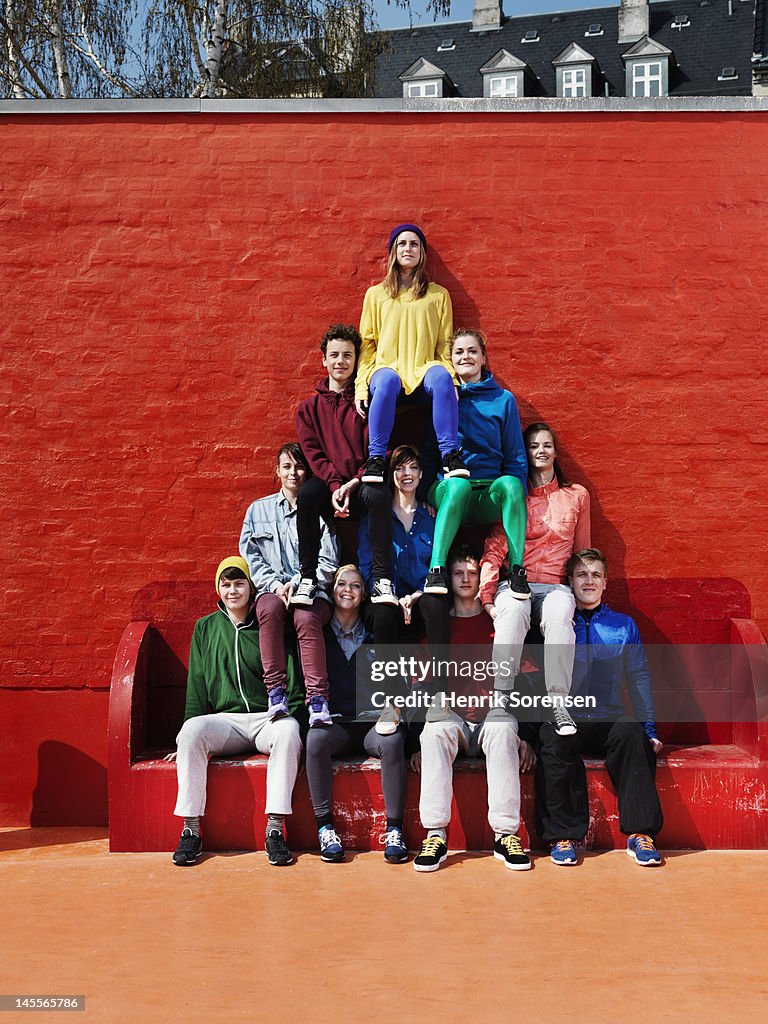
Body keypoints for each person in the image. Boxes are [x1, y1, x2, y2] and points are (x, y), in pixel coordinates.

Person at [167, 557, 303, 867]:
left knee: (289, 732)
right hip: (226, 722)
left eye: (239, 583)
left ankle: (274, 830)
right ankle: (190, 831)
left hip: (267, 718)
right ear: (218, 588)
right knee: (189, 733)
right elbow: (197, 683)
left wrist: (294, 716)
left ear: (250, 586)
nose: (233, 590)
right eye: (226, 585)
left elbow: (292, 674)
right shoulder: (206, 627)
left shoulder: (268, 624)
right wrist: (187, 740)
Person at [536, 548, 664, 867]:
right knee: (552, 744)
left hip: (608, 715)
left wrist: (650, 730)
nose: (589, 581)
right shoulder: (556, 626)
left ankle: (640, 834)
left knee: (633, 736)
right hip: (568, 718)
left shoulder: (623, 626)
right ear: (569, 582)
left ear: (605, 582)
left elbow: (639, 676)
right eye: (581, 574)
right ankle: (562, 837)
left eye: (595, 575)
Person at [411, 545, 536, 873]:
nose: (466, 579)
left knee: (503, 727)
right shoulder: (440, 628)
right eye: (458, 573)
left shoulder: (498, 623)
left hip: (489, 718)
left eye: (473, 572)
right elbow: (418, 686)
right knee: (435, 728)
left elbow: (527, 681)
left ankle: (506, 835)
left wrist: (528, 737)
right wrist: (417, 743)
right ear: (448, 579)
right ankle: (435, 834)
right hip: (453, 719)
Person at [480, 421, 591, 736]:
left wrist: (582, 595)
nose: (541, 451)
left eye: (546, 445)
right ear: (525, 453)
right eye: (533, 446)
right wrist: (487, 598)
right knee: (512, 614)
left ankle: (559, 704)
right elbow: (494, 550)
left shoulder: (576, 496)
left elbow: (583, 552)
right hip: (517, 585)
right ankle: (500, 699)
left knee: (559, 616)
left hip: (556, 584)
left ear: (555, 451)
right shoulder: (516, 497)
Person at [304, 565, 410, 864]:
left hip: (370, 724)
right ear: (332, 589)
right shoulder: (318, 636)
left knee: (392, 741)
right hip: (335, 724)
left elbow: (399, 683)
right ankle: (325, 828)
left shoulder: (378, 636)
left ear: (364, 594)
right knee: (315, 741)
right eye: (341, 583)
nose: (347, 589)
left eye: (355, 585)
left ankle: (394, 830)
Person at [354, 223, 468, 484]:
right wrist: (362, 387)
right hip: (387, 370)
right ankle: (376, 459)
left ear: (422, 253)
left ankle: (450, 455)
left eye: (414, 244)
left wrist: (451, 379)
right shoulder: (376, 295)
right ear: (393, 251)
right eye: (402, 243)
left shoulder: (438, 295)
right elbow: (367, 345)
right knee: (386, 380)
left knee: (440, 377)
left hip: (423, 370)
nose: (408, 248)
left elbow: (443, 345)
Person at [293, 323, 397, 608]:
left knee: (380, 495)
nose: (340, 362)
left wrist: (355, 481)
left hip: (362, 484)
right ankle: (308, 578)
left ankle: (382, 580)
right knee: (308, 495)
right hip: (329, 486)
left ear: (356, 360)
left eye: (348, 356)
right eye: (335, 355)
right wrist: (336, 485)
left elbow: (383, 448)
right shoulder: (307, 409)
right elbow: (313, 455)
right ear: (323, 359)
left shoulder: (369, 402)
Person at [423, 328, 529, 597]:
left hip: (487, 497)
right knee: (458, 485)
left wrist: (516, 499)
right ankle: (436, 571)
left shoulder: (504, 400)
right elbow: (428, 450)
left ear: (483, 357)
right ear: (451, 359)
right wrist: (425, 491)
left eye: (472, 351)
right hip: (450, 491)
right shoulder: (441, 398)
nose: (465, 356)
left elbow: (515, 455)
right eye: (459, 352)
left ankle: (517, 570)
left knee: (512, 483)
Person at [239, 442, 338, 727]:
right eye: (287, 467)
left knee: (305, 617)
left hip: (314, 592)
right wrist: (274, 585)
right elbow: (251, 556)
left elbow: (329, 562)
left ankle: (318, 700)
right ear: (277, 471)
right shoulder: (258, 511)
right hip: (273, 592)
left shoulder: (321, 513)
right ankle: (276, 693)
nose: (293, 472)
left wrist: (298, 584)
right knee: (268, 610)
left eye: (299, 466)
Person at [357, 444, 451, 734]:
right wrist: (395, 598)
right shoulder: (376, 520)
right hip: (388, 600)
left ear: (422, 474)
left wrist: (418, 595)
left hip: (422, 601)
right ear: (390, 475)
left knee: (435, 603)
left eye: (412, 467)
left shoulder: (433, 519)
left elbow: (441, 566)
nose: (406, 473)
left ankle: (440, 693)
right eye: (399, 467)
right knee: (383, 615)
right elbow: (367, 567)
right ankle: (391, 702)